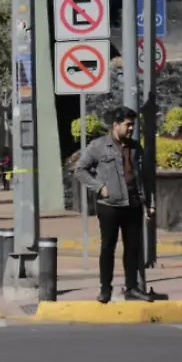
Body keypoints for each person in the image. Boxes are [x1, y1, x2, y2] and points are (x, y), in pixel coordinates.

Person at [76, 106, 153, 303]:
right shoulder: (99, 146)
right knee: (108, 247)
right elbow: (80, 170)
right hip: (109, 205)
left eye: (132, 125)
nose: (131, 129)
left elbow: (142, 177)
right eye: (127, 125)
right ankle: (105, 289)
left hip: (133, 204)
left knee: (133, 248)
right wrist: (100, 187)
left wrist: (148, 202)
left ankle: (132, 287)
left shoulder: (136, 148)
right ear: (116, 125)